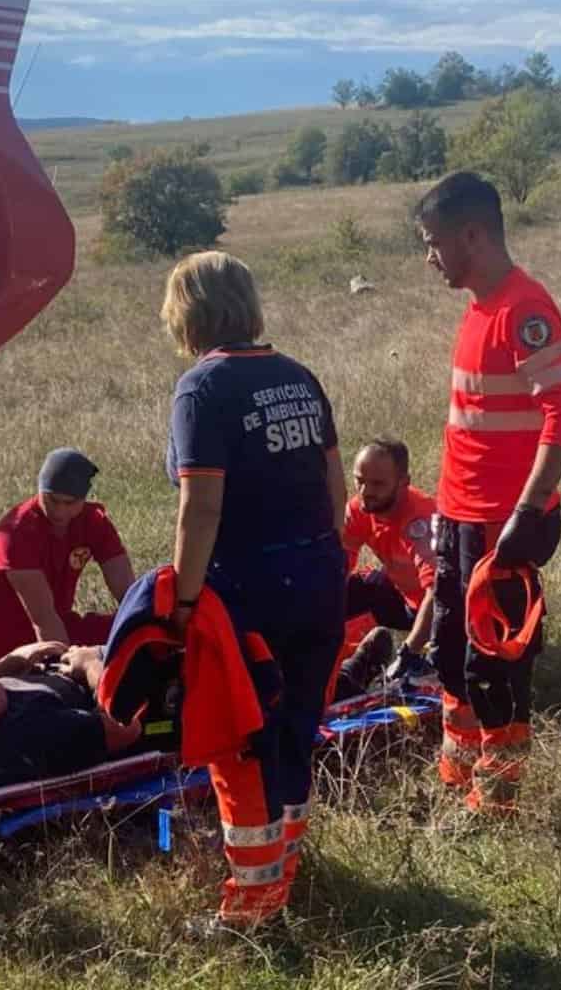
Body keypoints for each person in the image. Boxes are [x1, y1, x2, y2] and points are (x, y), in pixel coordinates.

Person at [161, 250, 346, 928]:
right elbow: (336, 491)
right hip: (321, 579)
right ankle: (285, 876)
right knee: (296, 732)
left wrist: (181, 605)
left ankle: (251, 910)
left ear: (189, 313)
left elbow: (200, 507)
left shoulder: (203, 390)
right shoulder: (299, 376)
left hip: (249, 590)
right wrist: (326, 563)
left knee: (239, 741)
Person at [414, 172, 561, 816]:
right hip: (460, 518)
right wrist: (442, 513)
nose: (430, 257)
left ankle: (497, 801)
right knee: (451, 656)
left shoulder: (525, 311)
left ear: (473, 235)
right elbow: (468, 427)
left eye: (434, 243)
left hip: (500, 525)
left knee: (497, 668)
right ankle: (458, 779)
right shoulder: (478, 308)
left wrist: (525, 512)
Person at [0, 448, 135, 665]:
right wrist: (71, 670)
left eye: (69, 503)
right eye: (51, 500)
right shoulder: (16, 532)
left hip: (62, 626)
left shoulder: (93, 522)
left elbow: (130, 595)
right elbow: (43, 617)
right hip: (11, 647)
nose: (59, 511)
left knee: (133, 626)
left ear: (84, 498)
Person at [0, 641, 148, 789]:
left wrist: (13, 662)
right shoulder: (37, 735)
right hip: (110, 675)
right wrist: (90, 665)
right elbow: (126, 728)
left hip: (64, 667)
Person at [336, 438, 441, 695]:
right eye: (359, 480)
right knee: (336, 589)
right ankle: (354, 661)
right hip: (401, 597)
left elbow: (438, 591)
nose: (365, 491)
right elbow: (339, 565)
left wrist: (409, 651)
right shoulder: (361, 509)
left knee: (426, 676)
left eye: (378, 484)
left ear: (404, 481)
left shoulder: (420, 522)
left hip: (443, 613)